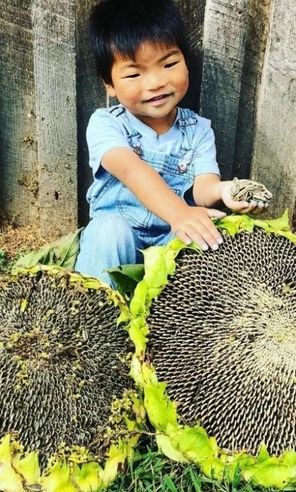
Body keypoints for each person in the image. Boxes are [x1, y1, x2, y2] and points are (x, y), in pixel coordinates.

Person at [75, 0, 269, 286]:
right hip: (120, 236)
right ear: (109, 85)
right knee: (108, 232)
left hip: (172, 236)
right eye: (134, 74)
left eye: (169, 64)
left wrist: (226, 190)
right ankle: (96, 313)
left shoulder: (199, 131)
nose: (155, 82)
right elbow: (131, 170)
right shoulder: (107, 123)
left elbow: (202, 187)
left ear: (186, 63)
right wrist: (179, 213)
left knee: (212, 236)